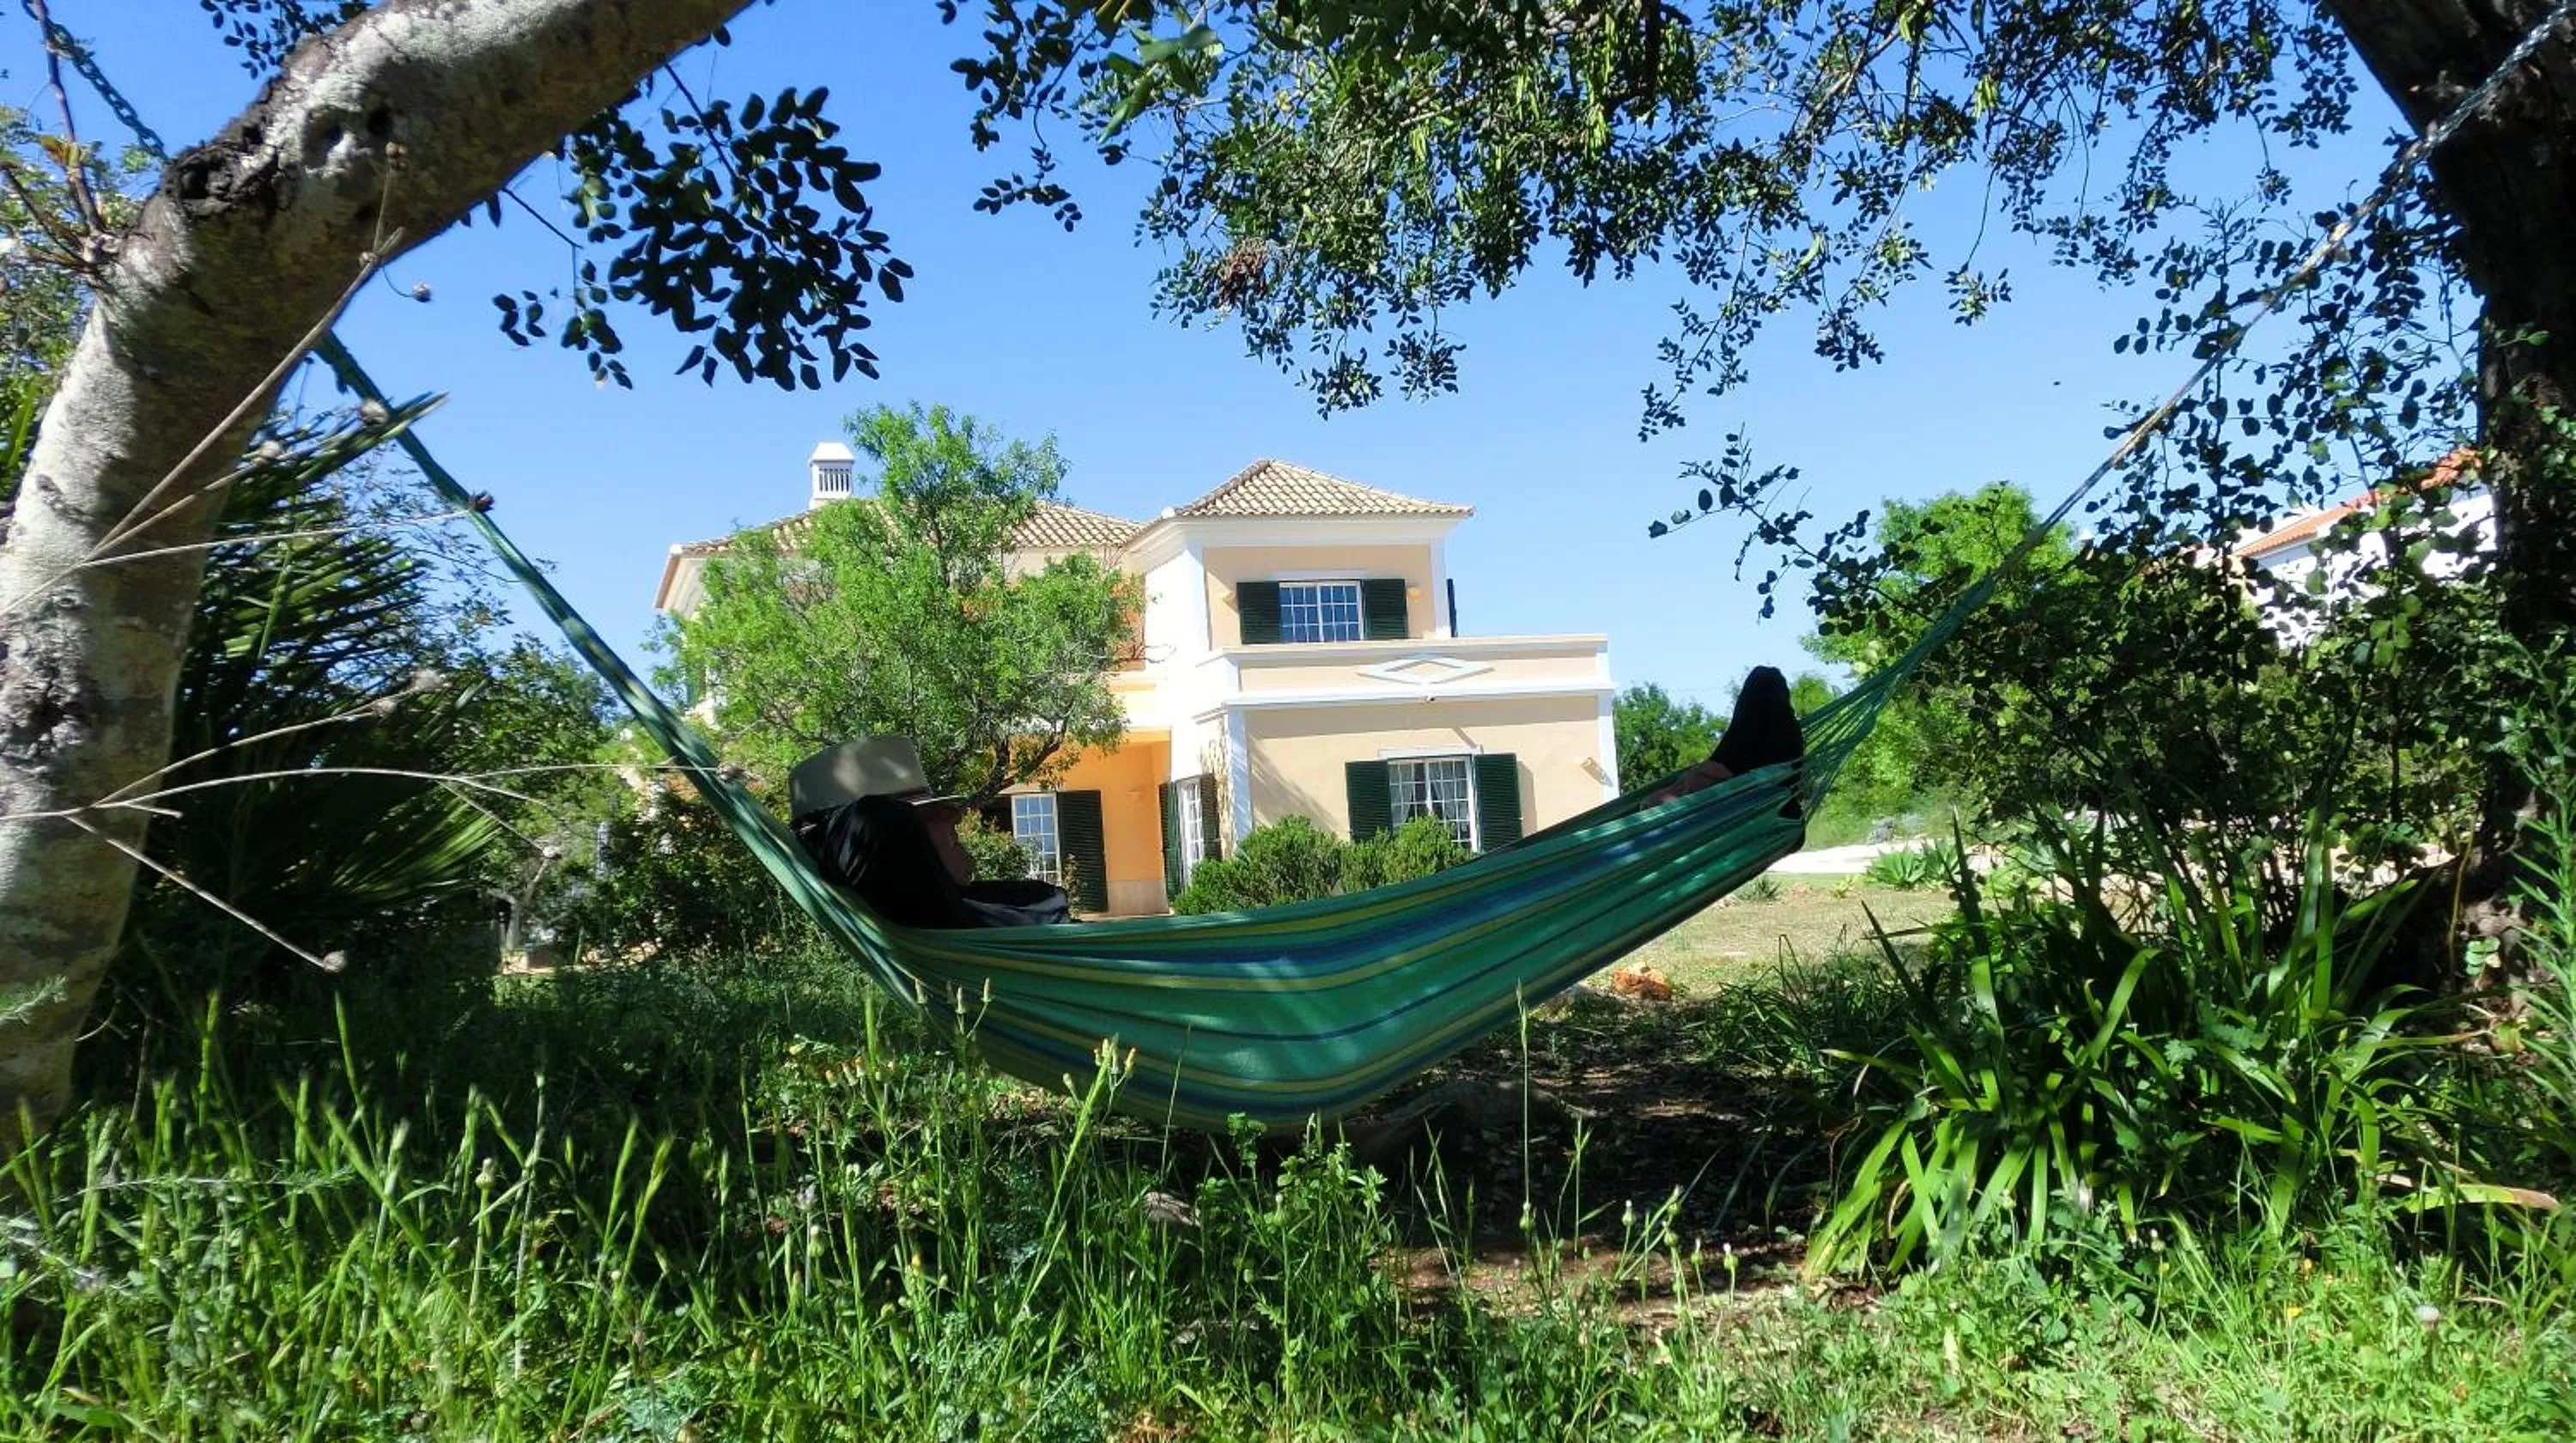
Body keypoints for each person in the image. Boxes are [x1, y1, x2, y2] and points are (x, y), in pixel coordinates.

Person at [788, 736, 1073, 929]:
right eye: (939, 816)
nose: (955, 824)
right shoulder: (928, 909)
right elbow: (873, 820)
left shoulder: (962, 904)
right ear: (904, 839)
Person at [1645, 665, 1807, 809]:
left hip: (1729, 811)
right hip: (1784, 815)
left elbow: (1721, 768)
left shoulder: (1743, 730)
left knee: (1653, 802)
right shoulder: (1792, 735)